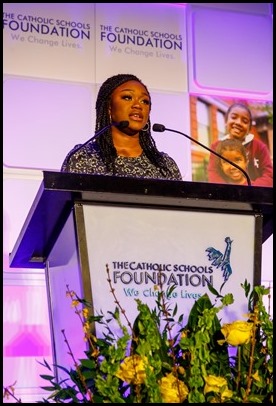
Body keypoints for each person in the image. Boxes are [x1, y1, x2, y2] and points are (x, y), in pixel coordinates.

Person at [61, 73, 182, 181]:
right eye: (127, 97)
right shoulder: (83, 157)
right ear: (109, 107)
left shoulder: (164, 165)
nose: (137, 105)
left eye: (144, 101)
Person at [207, 103, 273, 187]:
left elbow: (269, 175)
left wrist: (250, 189)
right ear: (226, 121)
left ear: (249, 128)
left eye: (245, 121)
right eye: (234, 117)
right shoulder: (216, 146)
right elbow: (213, 174)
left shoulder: (260, 147)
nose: (238, 122)